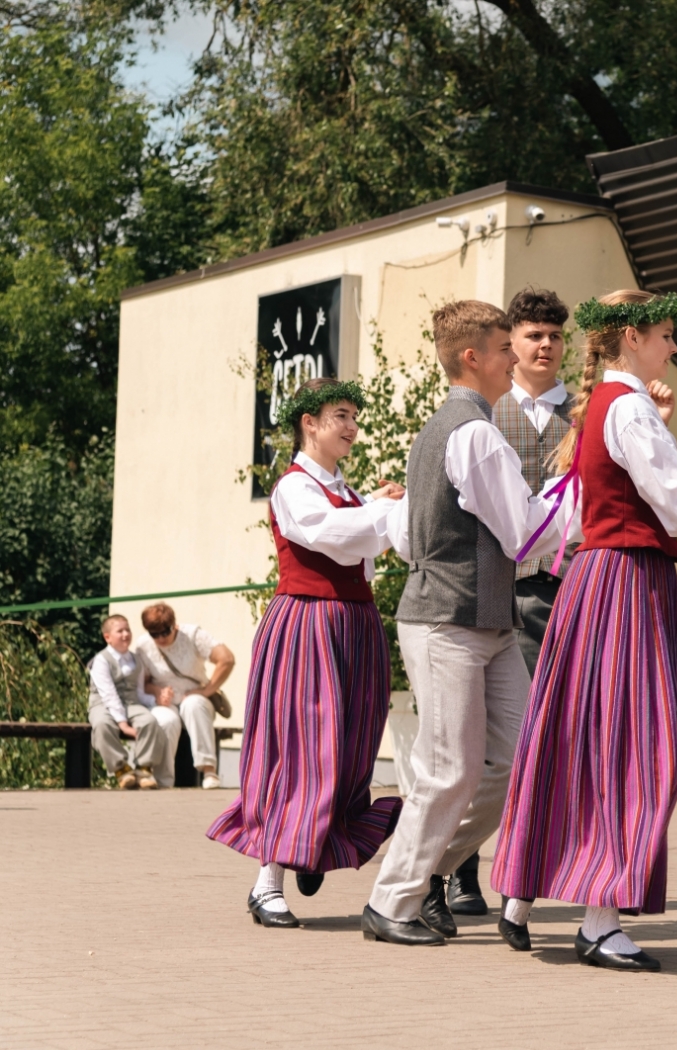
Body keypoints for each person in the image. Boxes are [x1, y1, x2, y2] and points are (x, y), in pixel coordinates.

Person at [491, 289, 677, 969]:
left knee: (575, 733)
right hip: (624, 581)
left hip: (602, 579)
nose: (674, 346)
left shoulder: (610, 404)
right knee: (627, 743)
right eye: (664, 334)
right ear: (631, 336)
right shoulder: (625, 407)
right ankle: (598, 921)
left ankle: (525, 891)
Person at [361, 301, 569, 947]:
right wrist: (586, 491)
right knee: (450, 767)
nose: (515, 358)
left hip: (486, 621)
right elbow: (525, 532)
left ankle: (427, 871)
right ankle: (391, 902)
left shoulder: (461, 427)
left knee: (513, 762)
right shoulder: (472, 432)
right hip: (448, 620)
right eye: (506, 347)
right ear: (474, 357)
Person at [206, 377, 406, 928]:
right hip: (308, 624)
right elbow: (332, 536)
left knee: (350, 746)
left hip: (355, 624)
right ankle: (267, 881)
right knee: (297, 749)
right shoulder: (295, 488)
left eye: (352, 417)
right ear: (308, 423)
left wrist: (382, 507)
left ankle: (314, 843)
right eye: (340, 415)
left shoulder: (348, 492)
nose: (351, 426)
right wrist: (383, 512)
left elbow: (364, 543)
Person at [441, 287, 578, 916]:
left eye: (554, 335)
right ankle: (462, 868)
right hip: (505, 592)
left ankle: (545, 866)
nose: (545, 345)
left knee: (563, 736)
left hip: (574, 589)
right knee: (501, 744)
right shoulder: (484, 416)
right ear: (510, 346)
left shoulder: (589, 412)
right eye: (532, 335)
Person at [136, 603, 234, 790]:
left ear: (175, 625)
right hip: (166, 702)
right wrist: (158, 693)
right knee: (165, 720)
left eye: (165, 632)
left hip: (196, 697)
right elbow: (144, 683)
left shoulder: (193, 635)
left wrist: (206, 690)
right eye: (154, 634)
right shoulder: (143, 646)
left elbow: (226, 659)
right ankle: (163, 780)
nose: (161, 638)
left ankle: (209, 771)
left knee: (193, 705)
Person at [87, 615, 163, 791]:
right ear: (108, 637)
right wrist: (123, 724)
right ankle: (121, 769)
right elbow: (108, 695)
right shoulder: (101, 660)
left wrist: (156, 700)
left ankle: (144, 769)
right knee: (102, 724)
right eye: (119, 631)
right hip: (103, 703)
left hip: (130, 703)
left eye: (127, 629)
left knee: (149, 721)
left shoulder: (136, 660)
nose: (125, 634)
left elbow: (139, 693)